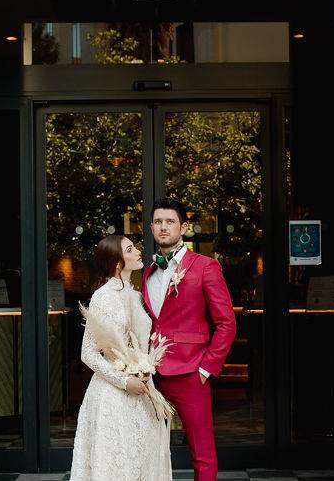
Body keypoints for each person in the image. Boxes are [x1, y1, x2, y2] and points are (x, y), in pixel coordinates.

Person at [141, 197, 237, 481]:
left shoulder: (205, 266)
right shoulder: (147, 271)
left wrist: (206, 368)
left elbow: (226, 323)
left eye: (170, 222)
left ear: (183, 227)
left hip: (191, 372)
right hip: (151, 373)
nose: (163, 227)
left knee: (201, 451)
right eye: (158, 222)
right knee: (148, 447)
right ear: (150, 227)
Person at [69, 235, 172, 481]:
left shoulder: (135, 295)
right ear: (117, 262)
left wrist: (145, 370)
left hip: (143, 390)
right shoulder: (103, 296)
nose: (137, 251)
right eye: (130, 249)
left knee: (143, 460)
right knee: (117, 461)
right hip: (114, 394)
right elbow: (88, 353)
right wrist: (125, 381)